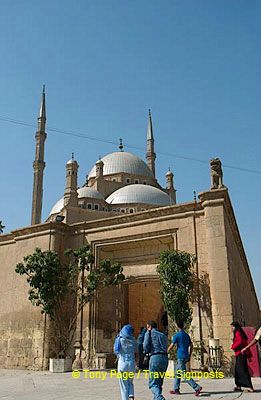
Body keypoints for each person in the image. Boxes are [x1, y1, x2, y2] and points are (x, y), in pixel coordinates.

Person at [168, 320, 202, 396]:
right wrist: (190, 354)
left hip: (180, 356)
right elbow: (191, 345)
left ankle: (196, 387)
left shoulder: (177, 335)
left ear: (177, 326)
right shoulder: (186, 335)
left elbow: (172, 345)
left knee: (184, 374)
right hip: (186, 355)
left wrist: (165, 351)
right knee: (177, 373)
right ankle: (176, 389)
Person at [143, 320, 168, 400]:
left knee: (153, 384)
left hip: (155, 358)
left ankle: (160, 398)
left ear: (150, 326)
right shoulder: (163, 335)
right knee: (159, 383)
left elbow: (145, 346)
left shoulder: (149, 333)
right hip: (165, 358)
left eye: (147, 327)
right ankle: (157, 397)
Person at [114, 324, 137, 400]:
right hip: (131, 364)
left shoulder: (119, 339)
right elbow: (136, 351)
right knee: (130, 382)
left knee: (123, 385)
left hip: (122, 363)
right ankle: (131, 396)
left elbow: (115, 350)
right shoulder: (133, 340)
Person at [230, 321, 254, 393]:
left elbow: (240, 341)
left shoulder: (238, 332)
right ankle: (238, 386)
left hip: (241, 353)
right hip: (239, 354)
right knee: (237, 371)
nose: (231, 328)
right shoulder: (237, 332)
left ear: (235, 327)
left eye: (232, 327)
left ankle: (249, 387)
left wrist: (233, 346)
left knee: (242, 370)